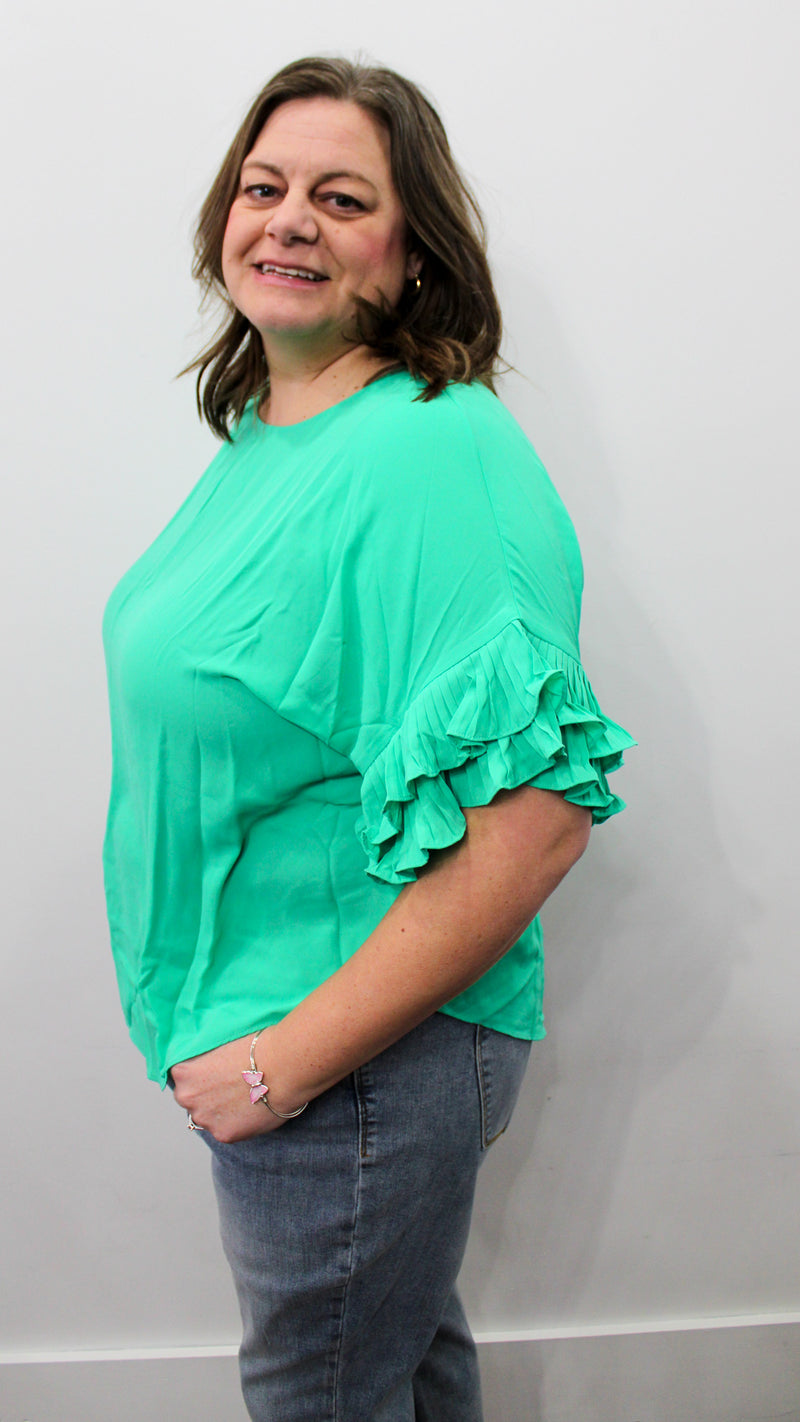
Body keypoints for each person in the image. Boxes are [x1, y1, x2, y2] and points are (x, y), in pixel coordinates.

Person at [102, 56, 634, 1422]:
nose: (289, 218)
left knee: (321, 1393)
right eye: (263, 187)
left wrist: (280, 1065)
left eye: (341, 199)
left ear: (412, 254)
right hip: (292, 1044)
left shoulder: (432, 454)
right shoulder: (272, 433)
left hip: (347, 1062)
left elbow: (536, 824)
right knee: (397, 1369)